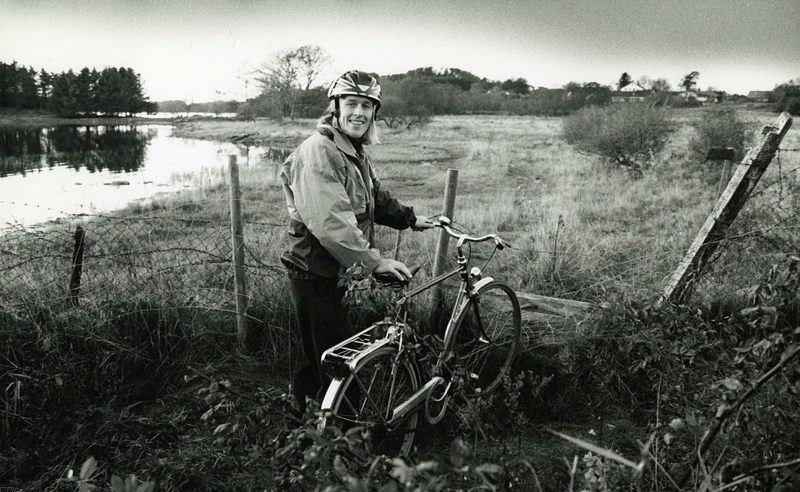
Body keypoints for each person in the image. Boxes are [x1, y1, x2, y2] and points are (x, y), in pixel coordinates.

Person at [280, 70, 434, 416]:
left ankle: (302, 424)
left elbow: (373, 197)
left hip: (330, 271)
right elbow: (332, 223)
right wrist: (375, 262)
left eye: (367, 105)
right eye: (352, 104)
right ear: (336, 107)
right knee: (338, 362)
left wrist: (410, 219)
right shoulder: (320, 151)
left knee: (316, 354)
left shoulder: (351, 150)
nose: (359, 113)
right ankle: (343, 439)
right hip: (314, 270)